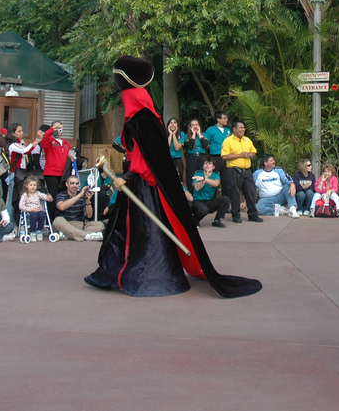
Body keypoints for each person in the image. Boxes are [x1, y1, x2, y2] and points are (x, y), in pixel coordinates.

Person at [85, 55, 261, 298]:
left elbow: (148, 160)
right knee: (127, 232)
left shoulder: (142, 119)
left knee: (146, 234)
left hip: (145, 185)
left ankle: (148, 276)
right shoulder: (141, 117)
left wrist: (127, 175)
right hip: (139, 184)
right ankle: (116, 271)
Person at [220, 121, 262, 224]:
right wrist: (240, 155)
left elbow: (254, 152)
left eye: (244, 128)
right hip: (233, 170)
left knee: (251, 192)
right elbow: (224, 156)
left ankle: (252, 214)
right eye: (241, 128)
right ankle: (236, 215)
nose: (243, 129)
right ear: (234, 129)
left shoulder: (247, 140)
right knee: (234, 193)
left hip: (246, 171)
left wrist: (250, 155)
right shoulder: (228, 141)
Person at [52, 174, 105, 241]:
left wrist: (88, 201)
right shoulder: (61, 195)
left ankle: (70, 235)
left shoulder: (81, 195)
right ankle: (86, 236)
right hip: (65, 224)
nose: (74, 185)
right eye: (72, 183)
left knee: (100, 225)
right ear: (66, 184)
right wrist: (79, 196)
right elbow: (61, 207)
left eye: (77, 183)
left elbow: (89, 215)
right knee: (57, 221)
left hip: (79, 225)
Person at [191, 155, 229, 227]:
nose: (207, 165)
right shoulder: (198, 174)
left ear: (213, 167)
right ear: (203, 166)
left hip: (209, 201)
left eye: (210, 163)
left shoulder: (215, 175)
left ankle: (217, 220)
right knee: (204, 210)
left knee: (225, 199)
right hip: (198, 201)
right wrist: (205, 178)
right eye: (205, 163)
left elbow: (216, 183)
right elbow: (197, 188)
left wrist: (205, 179)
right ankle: (195, 221)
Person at [39, 121, 72, 198]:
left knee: (63, 196)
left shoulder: (65, 143)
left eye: (60, 128)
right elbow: (43, 140)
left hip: (64, 174)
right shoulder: (49, 141)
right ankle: (52, 210)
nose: (59, 130)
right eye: (57, 128)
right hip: (51, 173)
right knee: (53, 196)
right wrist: (52, 130)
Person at [18, 175, 52, 241]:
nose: (33, 187)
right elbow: (21, 206)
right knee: (33, 215)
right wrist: (30, 209)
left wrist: (48, 198)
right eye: (31, 185)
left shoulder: (37, 193)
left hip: (39, 210)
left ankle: (39, 230)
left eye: (34, 185)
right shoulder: (25, 195)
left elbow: (44, 196)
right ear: (27, 186)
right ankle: (33, 232)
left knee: (42, 214)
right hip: (29, 211)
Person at [183, 118, 209, 185]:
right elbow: (190, 146)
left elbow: (205, 145)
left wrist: (199, 135)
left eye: (196, 125)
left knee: (202, 174)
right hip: (192, 157)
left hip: (202, 157)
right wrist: (193, 135)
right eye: (193, 125)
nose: (195, 126)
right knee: (191, 175)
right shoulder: (187, 136)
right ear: (190, 127)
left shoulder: (204, 135)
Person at [166, 117, 185, 185]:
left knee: (179, 178)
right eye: (171, 123)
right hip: (168, 159)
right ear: (168, 125)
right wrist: (170, 134)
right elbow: (166, 146)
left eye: (175, 123)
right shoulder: (165, 134)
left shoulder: (181, 134)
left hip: (178, 160)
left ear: (177, 125)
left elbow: (177, 148)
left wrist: (174, 134)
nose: (173, 124)